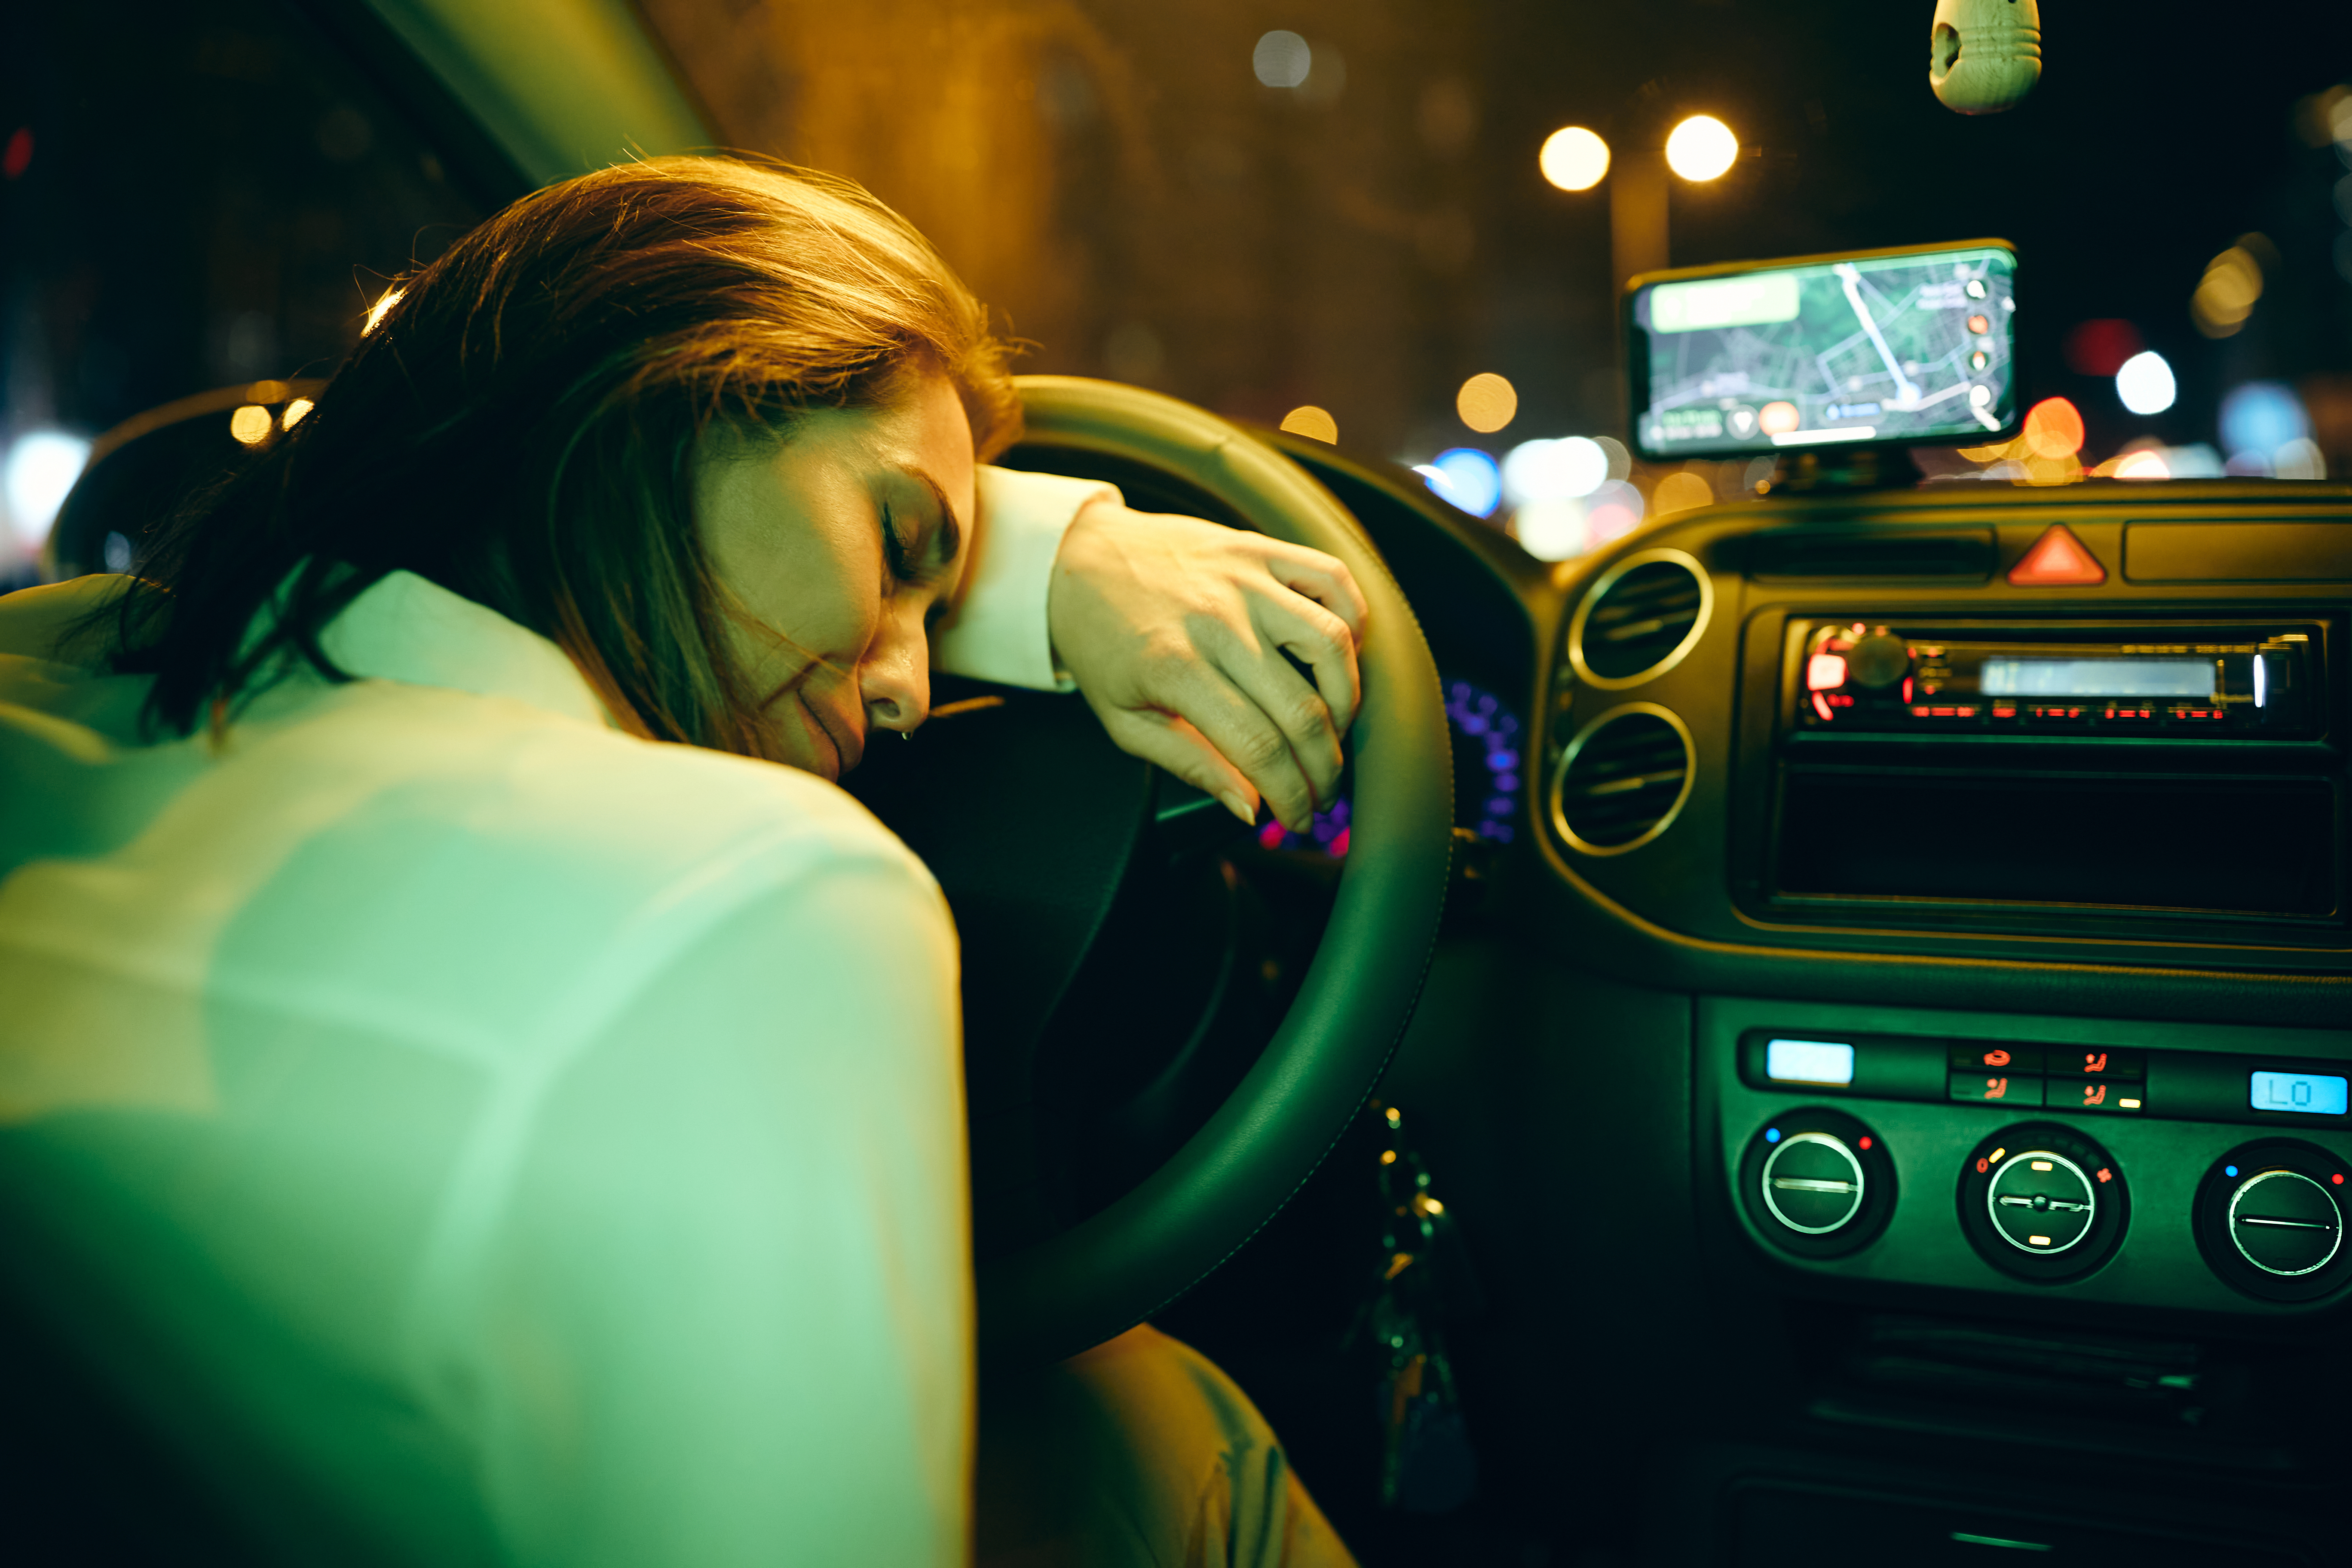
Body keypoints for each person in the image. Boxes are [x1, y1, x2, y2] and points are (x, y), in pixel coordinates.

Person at [0, 156, 1365, 1565]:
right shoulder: (762, 900)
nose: (906, 692)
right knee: (1175, 1422)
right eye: (899, 552)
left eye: (938, 608)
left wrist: (1032, 558)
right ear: (674, 396)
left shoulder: (55, 691)